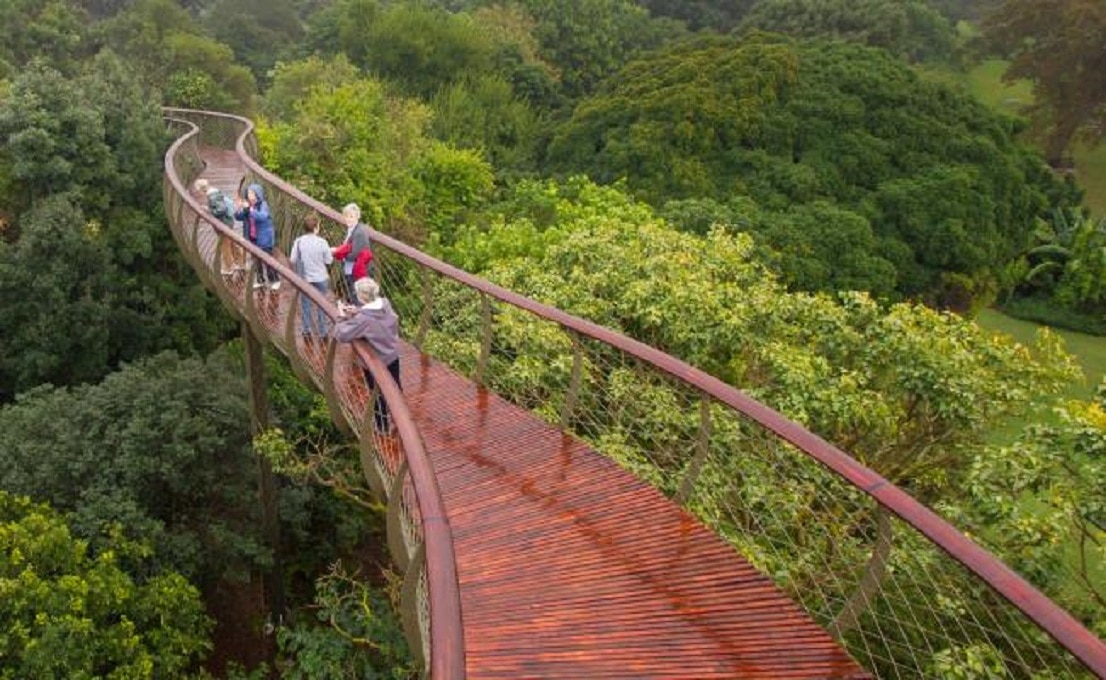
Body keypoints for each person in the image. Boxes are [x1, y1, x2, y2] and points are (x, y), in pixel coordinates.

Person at [333, 277, 400, 433]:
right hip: (393, 354)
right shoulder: (386, 303)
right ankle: (399, 418)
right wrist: (357, 311)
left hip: (376, 361)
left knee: (377, 393)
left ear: (361, 296)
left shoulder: (364, 320)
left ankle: (382, 426)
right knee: (396, 386)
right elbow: (377, 317)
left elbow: (341, 334)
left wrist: (342, 316)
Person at [289, 213, 333, 338]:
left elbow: (292, 259)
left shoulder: (298, 242)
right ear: (316, 228)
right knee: (322, 305)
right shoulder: (322, 242)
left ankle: (306, 330)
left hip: (305, 278)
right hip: (320, 278)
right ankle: (323, 332)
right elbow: (329, 261)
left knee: (305, 303)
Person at [235, 183, 279, 290]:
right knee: (256, 260)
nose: (249, 195)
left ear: (257, 194)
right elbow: (239, 217)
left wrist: (250, 210)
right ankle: (260, 280)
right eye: (248, 193)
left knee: (268, 260)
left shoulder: (263, 205)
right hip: (252, 237)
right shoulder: (248, 205)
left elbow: (262, 216)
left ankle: (274, 280)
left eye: (252, 193)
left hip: (264, 238)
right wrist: (239, 209)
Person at [194, 179, 242, 276]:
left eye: (198, 190)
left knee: (225, 246)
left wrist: (209, 211)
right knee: (230, 241)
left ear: (201, 189)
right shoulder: (215, 192)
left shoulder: (212, 197)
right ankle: (239, 262)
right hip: (228, 221)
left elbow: (221, 209)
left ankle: (229, 268)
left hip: (224, 224)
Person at [331, 203, 373, 303]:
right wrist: (338, 250)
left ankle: (358, 316)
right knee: (353, 292)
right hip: (353, 268)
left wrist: (339, 254)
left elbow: (354, 254)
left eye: (351, 216)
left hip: (358, 270)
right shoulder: (352, 229)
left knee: (357, 294)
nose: (348, 219)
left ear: (357, 217)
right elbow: (348, 248)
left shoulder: (359, 232)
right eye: (346, 216)